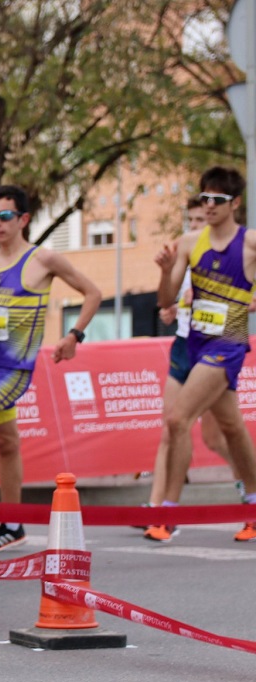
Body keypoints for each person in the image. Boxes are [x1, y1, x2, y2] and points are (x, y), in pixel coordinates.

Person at [0, 184, 101, 552]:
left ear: (24, 219)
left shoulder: (43, 260)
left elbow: (93, 293)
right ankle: (12, 524)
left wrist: (74, 335)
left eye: (5, 216)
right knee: (7, 444)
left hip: (14, 373)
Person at [147, 166, 256, 543]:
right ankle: (255, 505)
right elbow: (165, 302)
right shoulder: (191, 242)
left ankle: (167, 514)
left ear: (235, 203)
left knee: (178, 420)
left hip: (229, 344)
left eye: (217, 200)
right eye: (205, 198)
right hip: (195, 343)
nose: (208, 205)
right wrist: (164, 272)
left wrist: (250, 303)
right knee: (231, 427)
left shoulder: (251, 243)